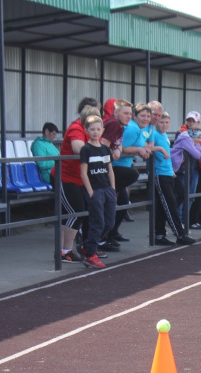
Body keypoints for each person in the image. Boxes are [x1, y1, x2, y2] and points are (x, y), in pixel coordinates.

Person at [54, 97, 100, 263]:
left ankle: (65, 249)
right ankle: (64, 250)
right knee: (76, 212)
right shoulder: (76, 128)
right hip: (65, 176)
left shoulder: (91, 131)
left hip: (79, 178)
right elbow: (78, 147)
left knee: (74, 213)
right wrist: (97, 150)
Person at [151, 111, 196, 246]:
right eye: (161, 122)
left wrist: (171, 169)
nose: (164, 125)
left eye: (166, 122)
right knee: (168, 204)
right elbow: (148, 147)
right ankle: (180, 234)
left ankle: (160, 234)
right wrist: (160, 149)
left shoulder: (164, 135)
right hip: (160, 174)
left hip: (168, 172)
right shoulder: (154, 134)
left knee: (177, 197)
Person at [78, 114, 116, 269]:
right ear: (87, 130)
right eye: (92, 129)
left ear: (102, 131)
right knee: (97, 222)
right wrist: (91, 192)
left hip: (107, 189)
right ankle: (90, 254)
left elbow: (110, 170)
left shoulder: (105, 149)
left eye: (98, 129)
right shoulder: (86, 149)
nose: (95, 132)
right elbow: (83, 173)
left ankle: (87, 245)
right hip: (95, 190)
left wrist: (113, 188)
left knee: (109, 222)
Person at [102, 99, 136, 245]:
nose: (129, 116)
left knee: (122, 201)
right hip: (103, 169)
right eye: (125, 113)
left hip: (110, 167)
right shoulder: (114, 123)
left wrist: (116, 149)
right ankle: (102, 237)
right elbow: (102, 147)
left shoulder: (121, 126)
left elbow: (118, 146)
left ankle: (110, 234)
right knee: (132, 174)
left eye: (130, 113)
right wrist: (112, 153)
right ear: (116, 112)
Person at [171, 111, 201, 227]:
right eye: (189, 121)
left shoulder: (196, 135)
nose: (191, 123)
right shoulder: (183, 134)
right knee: (181, 195)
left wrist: (199, 145)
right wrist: (198, 147)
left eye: (193, 121)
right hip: (178, 170)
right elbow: (197, 154)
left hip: (193, 168)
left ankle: (183, 220)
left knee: (190, 195)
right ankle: (178, 220)